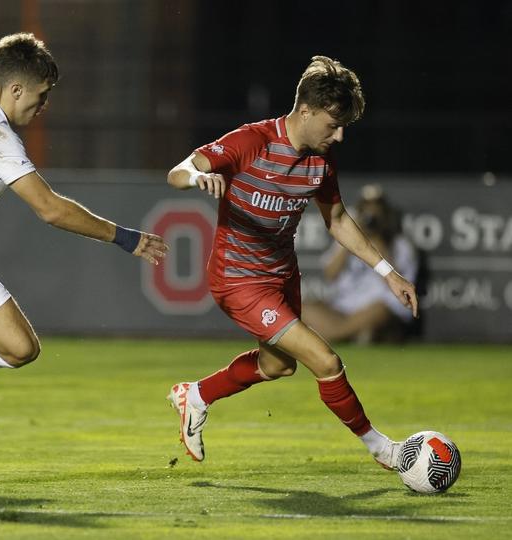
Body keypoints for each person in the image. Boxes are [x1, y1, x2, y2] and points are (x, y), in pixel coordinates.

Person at [166, 55, 418, 469]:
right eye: (333, 125)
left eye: (343, 128)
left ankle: (195, 395)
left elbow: (336, 220)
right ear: (306, 110)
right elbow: (177, 171)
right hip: (238, 279)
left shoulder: (321, 162)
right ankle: (383, 449)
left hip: (282, 276)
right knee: (326, 360)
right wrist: (197, 177)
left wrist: (388, 273)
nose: (338, 137)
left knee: (277, 365)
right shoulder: (252, 141)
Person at [0, 33, 167, 374]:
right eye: (41, 95)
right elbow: (51, 209)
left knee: (20, 348)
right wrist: (125, 237)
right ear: (17, 89)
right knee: (18, 347)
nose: (43, 105)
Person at [303, 184, 420, 343]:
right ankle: (353, 334)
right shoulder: (344, 239)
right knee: (305, 309)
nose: (371, 214)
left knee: (380, 311)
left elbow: (402, 287)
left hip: (378, 308)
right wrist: (351, 238)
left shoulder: (400, 245)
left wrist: (377, 241)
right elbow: (330, 274)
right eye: (366, 209)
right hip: (344, 308)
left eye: (376, 210)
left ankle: (336, 336)